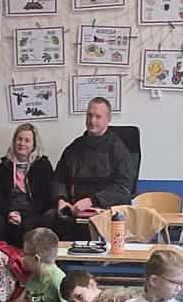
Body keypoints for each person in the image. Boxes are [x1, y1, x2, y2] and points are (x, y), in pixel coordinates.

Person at [47, 97, 135, 239]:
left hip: (103, 210)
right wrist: (61, 200)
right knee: (47, 220)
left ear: (108, 119)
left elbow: (123, 188)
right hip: (73, 209)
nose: (92, 120)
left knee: (85, 230)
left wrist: (92, 201)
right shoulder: (74, 147)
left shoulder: (118, 150)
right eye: (89, 115)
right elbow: (59, 179)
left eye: (98, 116)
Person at [0, 125, 56, 244]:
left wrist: (23, 217)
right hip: (10, 212)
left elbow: (45, 199)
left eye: (27, 140)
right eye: (19, 139)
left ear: (34, 145)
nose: (22, 143)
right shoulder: (5, 165)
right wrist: (10, 213)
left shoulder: (43, 164)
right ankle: (1, 253)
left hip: (34, 213)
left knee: (49, 217)